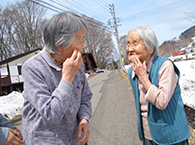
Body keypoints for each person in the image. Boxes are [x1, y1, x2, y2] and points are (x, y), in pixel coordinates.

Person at [22, 11, 92, 145]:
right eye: (80, 40)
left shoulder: (77, 64)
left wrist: (84, 118)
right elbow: (51, 115)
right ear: (61, 46)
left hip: (76, 140)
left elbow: (85, 97)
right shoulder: (32, 68)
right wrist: (67, 78)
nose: (83, 45)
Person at [126, 25, 190, 145]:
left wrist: (144, 78)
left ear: (150, 48)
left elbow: (162, 101)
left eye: (135, 43)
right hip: (147, 135)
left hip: (172, 135)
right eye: (128, 44)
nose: (129, 49)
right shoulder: (132, 71)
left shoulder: (165, 65)